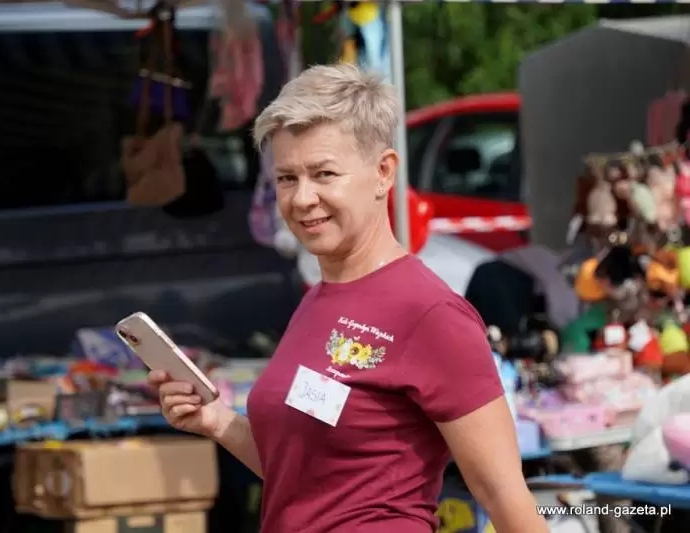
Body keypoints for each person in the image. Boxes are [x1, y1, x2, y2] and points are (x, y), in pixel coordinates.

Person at [149, 64, 548, 533]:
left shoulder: (431, 314)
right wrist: (216, 421)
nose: (302, 198)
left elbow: (503, 494)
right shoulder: (317, 301)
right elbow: (305, 476)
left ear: (383, 172)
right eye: (287, 178)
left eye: (324, 174)